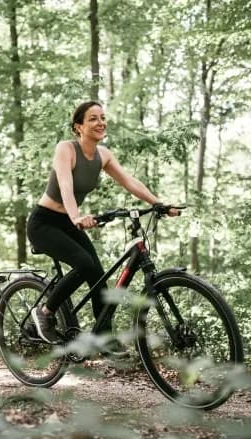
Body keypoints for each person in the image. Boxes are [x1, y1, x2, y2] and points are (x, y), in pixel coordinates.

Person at [26, 101, 180, 352]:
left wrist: (159, 203)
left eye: (103, 118)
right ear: (79, 126)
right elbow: (65, 184)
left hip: (69, 223)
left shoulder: (103, 155)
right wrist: (76, 216)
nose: (101, 123)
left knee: (97, 275)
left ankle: (104, 338)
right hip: (44, 222)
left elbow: (129, 182)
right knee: (84, 264)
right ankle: (45, 312)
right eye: (93, 119)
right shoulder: (66, 148)